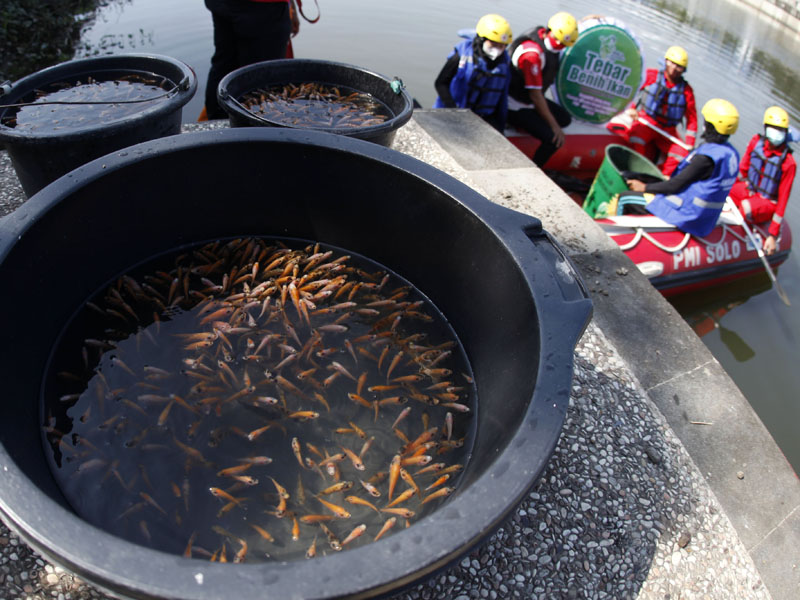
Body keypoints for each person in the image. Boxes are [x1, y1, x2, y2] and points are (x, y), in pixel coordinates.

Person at [612, 98, 740, 238]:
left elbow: (674, 186)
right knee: (647, 181)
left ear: (709, 125)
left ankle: (616, 238)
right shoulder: (730, 153)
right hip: (704, 216)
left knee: (625, 198)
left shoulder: (705, 159)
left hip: (685, 213)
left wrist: (644, 187)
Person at [203, 0, 300, 120]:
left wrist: (292, 6)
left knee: (224, 63)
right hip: (263, 8)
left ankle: (217, 124)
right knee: (264, 79)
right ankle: (256, 130)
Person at [505, 12, 579, 168]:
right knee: (553, 140)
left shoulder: (547, 42)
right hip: (515, 104)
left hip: (530, 100)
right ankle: (535, 169)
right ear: (550, 32)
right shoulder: (532, 55)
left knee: (565, 119)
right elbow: (536, 95)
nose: (560, 45)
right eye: (558, 41)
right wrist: (554, 127)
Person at [728, 106, 796, 256]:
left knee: (746, 207)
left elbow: (783, 200)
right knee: (724, 189)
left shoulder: (788, 163)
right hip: (749, 189)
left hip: (767, 202)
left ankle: (733, 242)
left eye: (780, 129)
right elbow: (743, 170)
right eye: (773, 128)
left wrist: (772, 234)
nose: (776, 133)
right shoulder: (756, 142)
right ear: (765, 128)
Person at [433, 14, 513, 133]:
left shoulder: (504, 64)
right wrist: (453, 110)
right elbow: (440, 83)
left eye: (502, 46)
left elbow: (502, 98)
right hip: (453, 112)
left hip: (483, 117)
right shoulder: (461, 56)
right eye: (494, 44)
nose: (497, 49)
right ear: (482, 39)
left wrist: (500, 127)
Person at [626, 46, 698, 177]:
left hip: (668, 130)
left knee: (681, 153)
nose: (674, 68)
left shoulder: (687, 92)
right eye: (672, 63)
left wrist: (689, 143)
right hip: (647, 121)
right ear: (665, 61)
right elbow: (633, 89)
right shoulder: (651, 75)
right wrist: (632, 108)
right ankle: (637, 171)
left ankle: (660, 177)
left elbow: (692, 120)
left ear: (683, 70)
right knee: (636, 138)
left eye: (679, 66)